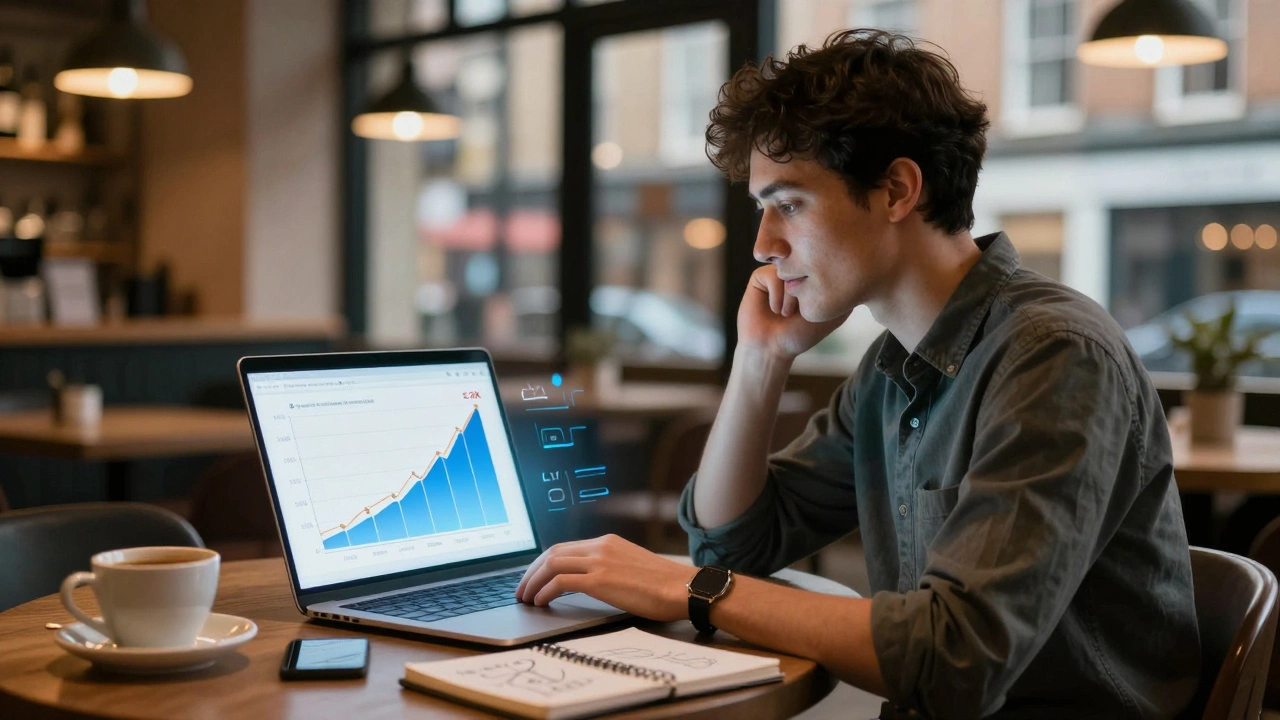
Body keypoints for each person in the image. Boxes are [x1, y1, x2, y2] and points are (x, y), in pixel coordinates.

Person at [516, 29, 1200, 719]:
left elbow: (953, 659)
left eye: (789, 204)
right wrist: (761, 360)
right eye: (762, 210)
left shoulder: (1054, 355)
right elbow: (734, 543)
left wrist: (693, 589)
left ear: (898, 189)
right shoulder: (892, 367)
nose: (763, 246)